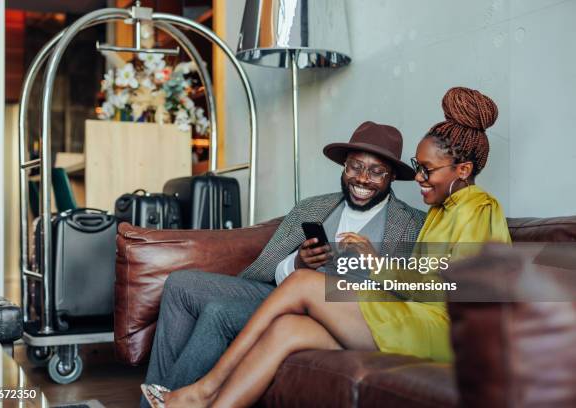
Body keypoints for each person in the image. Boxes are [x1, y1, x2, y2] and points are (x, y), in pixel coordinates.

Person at [151, 87, 511, 408]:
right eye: (418, 167)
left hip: (443, 334)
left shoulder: (478, 207)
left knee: (301, 285)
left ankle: (203, 390)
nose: (419, 177)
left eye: (427, 170)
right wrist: (303, 261)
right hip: (406, 319)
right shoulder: (442, 209)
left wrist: (375, 265)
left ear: (462, 169)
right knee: (286, 330)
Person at [141, 121, 426, 407]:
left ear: (391, 177)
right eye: (354, 166)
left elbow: (412, 293)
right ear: (344, 167)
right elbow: (268, 270)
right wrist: (299, 263)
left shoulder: (410, 224)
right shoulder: (313, 207)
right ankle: (158, 396)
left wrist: (373, 264)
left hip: (342, 312)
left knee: (220, 312)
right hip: (282, 296)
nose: (362, 179)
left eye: (376, 171)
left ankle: (173, 399)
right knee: (180, 283)